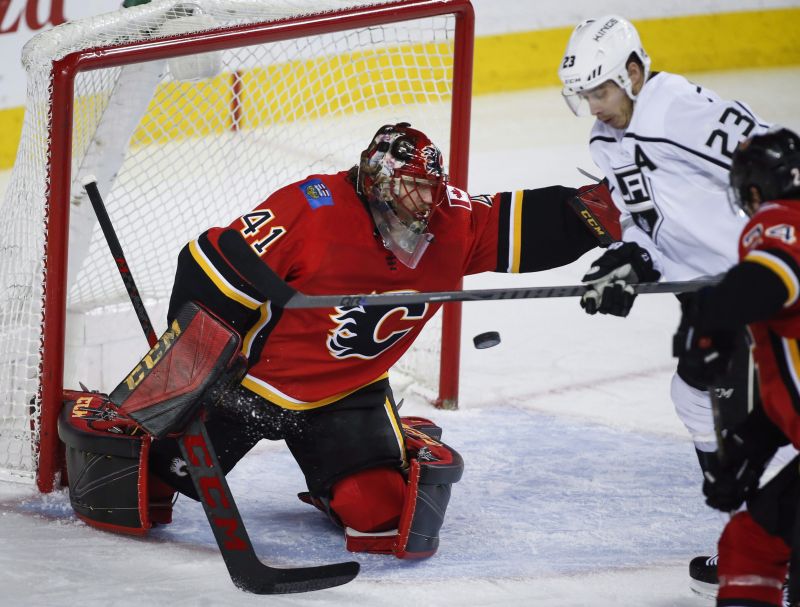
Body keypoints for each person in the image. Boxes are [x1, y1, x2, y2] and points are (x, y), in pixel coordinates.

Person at [58, 122, 618, 557]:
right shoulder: (312, 207)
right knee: (145, 493)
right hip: (246, 386)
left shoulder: (450, 220)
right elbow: (211, 261)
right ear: (376, 182)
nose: (424, 205)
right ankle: (109, 411)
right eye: (410, 191)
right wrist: (188, 372)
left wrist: (606, 214)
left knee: (379, 514)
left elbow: (522, 223)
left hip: (348, 394)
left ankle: (344, 471)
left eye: (430, 190)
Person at [556, 14, 789, 595]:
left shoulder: (682, 114)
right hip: (709, 293)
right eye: (585, 95)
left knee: (768, 410)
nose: (595, 106)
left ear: (635, 71)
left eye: (602, 90)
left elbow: (781, 170)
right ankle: (754, 530)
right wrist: (632, 260)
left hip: (760, 286)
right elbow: (645, 220)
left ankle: (771, 543)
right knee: (698, 399)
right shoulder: (605, 139)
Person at [674, 127, 800, 607]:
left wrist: (710, 314)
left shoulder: (780, 220)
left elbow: (769, 278)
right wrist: (752, 452)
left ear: (753, 190)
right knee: (748, 546)